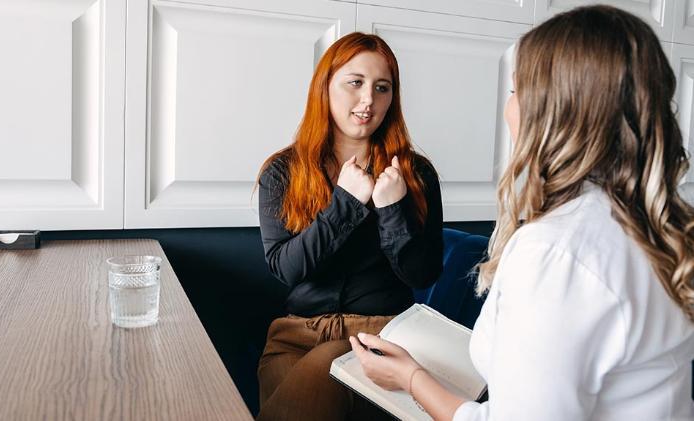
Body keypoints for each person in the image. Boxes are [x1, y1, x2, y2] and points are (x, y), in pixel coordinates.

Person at [351, 5, 694, 420]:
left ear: (552, 112)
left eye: (514, 91)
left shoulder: (556, 252)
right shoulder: (659, 226)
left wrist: (411, 378)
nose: (508, 109)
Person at [256, 32, 444, 420]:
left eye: (382, 88)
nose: (368, 100)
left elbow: (422, 275)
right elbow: (287, 270)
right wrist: (345, 203)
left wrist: (393, 208)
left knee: (326, 365)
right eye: (355, 83)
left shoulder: (416, 174)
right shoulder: (282, 172)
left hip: (382, 335)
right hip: (296, 337)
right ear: (325, 87)